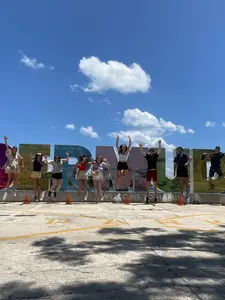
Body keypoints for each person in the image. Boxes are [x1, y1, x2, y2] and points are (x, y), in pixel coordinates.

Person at [139, 140, 161, 204]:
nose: (151, 152)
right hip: (149, 171)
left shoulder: (156, 156)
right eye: (150, 151)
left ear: (153, 152)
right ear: (149, 152)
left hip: (154, 171)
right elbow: (143, 153)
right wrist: (141, 147)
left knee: (155, 184)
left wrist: (159, 144)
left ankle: (156, 198)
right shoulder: (148, 156)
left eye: (152, 151)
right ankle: (147, 198)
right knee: (148, 185)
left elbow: (159, 151)